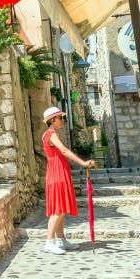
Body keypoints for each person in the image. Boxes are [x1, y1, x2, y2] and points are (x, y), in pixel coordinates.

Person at [41, 107, 95, 255]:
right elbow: (64, 151)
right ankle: (49, 242)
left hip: (58, 172)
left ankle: (60, 240)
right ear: (52, 120)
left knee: (62, 208)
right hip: (57, 173)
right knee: (58, 209)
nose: (62, 120)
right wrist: (83, 163)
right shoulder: (51, 134)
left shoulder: (52, 134)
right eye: (60, 118)